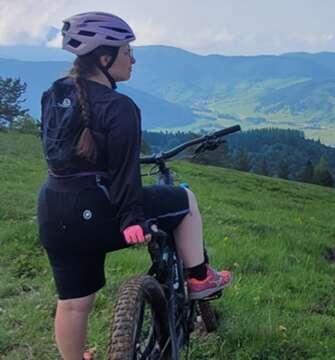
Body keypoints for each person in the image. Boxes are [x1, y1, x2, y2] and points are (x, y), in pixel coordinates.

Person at [37, 12, 232, 360]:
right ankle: (201, 278)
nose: (133, 59)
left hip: (54, 209)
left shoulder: (54, 94)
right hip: (98, 210)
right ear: (104, 57)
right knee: (185, 199)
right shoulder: (120, 107)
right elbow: (125, 174)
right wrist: (131, 220)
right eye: (128, 51)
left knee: (72, 303)